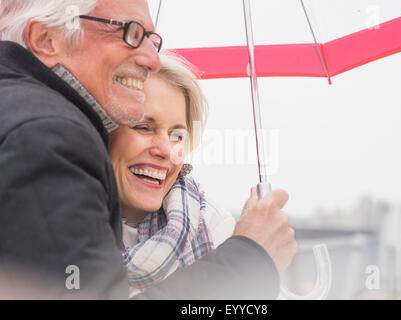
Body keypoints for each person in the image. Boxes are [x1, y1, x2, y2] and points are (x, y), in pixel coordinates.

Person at [0, 0, 298, 299]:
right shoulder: (48, 135)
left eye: (178, 134)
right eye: (130, 32)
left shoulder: (212, 223)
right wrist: (248, 262)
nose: (151, 58)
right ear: (46, 39)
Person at [110, 53, 236, 294]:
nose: (167, 151)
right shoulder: (58, 222)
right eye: (143, 127)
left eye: (177, 135)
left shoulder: (215, 224)